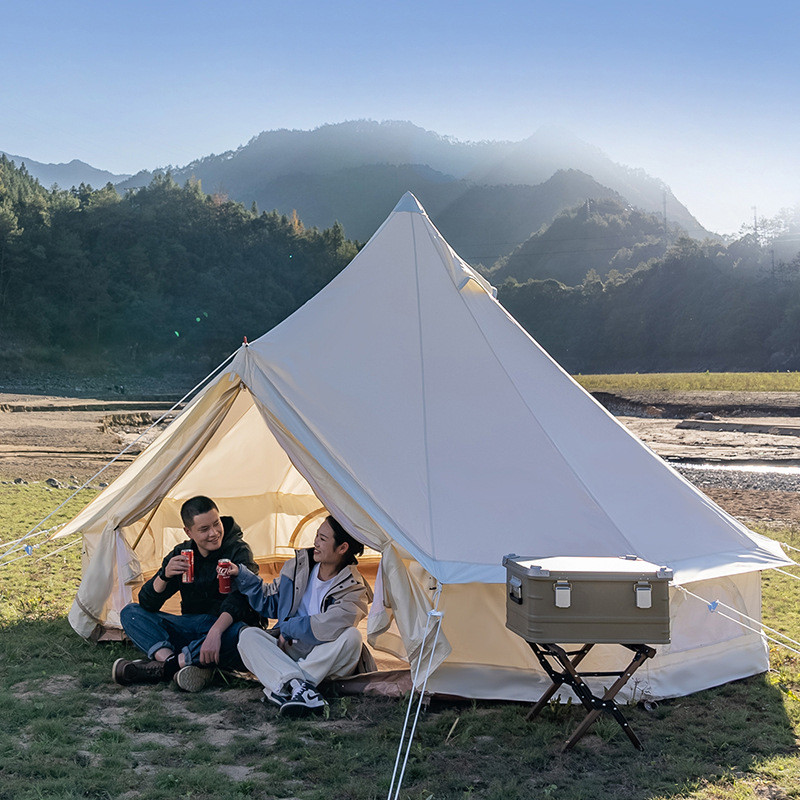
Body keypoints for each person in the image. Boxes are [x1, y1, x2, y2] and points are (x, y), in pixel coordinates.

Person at [112, 495, 259, 692]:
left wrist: (215, 632)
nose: (214, 533)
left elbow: (241, 599)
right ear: (188, 532)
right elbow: (147, 604)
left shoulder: (238, 551)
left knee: (243, 633)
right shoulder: (182, 554)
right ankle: (180, 662)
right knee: (130, 612)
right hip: (191, 626)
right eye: (204, 529)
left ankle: (164, 668)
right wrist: (163, 577)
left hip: (225, 628)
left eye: (216, 524)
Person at [229, 514, 372, 715]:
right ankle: (301, 688)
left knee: (352, 637)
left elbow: (327, 626)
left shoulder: (354, 589)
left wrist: (286, 629)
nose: (316, 543)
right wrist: (241, 574)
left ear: (342, 548)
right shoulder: (298, 567)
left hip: (325, 657)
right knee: (247, 636)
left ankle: (285, 685)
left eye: (323, 539)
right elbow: (270, 602)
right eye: (316, 536)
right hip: (291, 651)